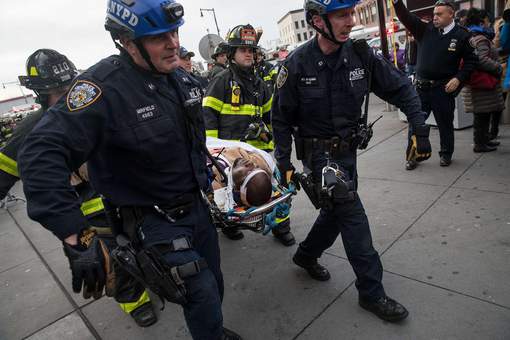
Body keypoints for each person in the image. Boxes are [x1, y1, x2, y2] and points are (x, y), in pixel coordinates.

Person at [18, 1, 241, 339]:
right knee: (202, 289)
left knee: (214, 283)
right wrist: (75, 234)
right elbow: (39, 151)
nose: (173, 43)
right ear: (126, 41)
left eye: (174, 32)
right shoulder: (102, 88)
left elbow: (191, 140)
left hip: (196, 210)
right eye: (158, 37)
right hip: (153, 222)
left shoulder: (180, 78)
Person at [272, 0, 432, 322]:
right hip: (318, 157)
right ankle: (372, 293)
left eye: (352, 13)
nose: (351, 21)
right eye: (342, 15)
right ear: (318, 21)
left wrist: (419, 126)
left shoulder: (361, 55)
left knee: (334, 214)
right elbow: (281, 118)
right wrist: (284, 161)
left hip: (348, 153)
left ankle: (305, 256)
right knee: (352, 216)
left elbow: (401, 88)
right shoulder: (296, 64)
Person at [203, 24, 295, 246]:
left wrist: (267, 135)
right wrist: (212, 158)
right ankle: (230, 224)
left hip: (256, 154)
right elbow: (208, 118)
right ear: (232, 54)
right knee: (228, 198)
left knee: (280, 186)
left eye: (251, 50)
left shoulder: (260, 85)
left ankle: (281, 226)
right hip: (228, 157)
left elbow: (271, 118)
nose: (249, 54)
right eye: (243, 50)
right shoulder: (221, 81)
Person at [394, 0, 477, 169]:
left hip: (443, 89)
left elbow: (472, 61)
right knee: (416, 123)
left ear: (451, 14)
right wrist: (396, 2)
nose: (435, 17)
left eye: (439, 14)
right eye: (434, 14)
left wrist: (459, 79)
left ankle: (446, 154)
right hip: (421, 88)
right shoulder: (425, 29)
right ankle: (413, 155)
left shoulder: (462, 35)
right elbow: (405, 16)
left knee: (445, 124)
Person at [461, 8, 503, 153]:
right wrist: (498, 67)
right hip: (481, 84)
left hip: (479, 83)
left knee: (483, 114)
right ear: (481, 20)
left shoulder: (474, 35)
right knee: (481, 116)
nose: (489, 23)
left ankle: (484, 141)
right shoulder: (479, 38)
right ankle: (480, 144)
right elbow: (481, 59)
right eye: (487, 20)